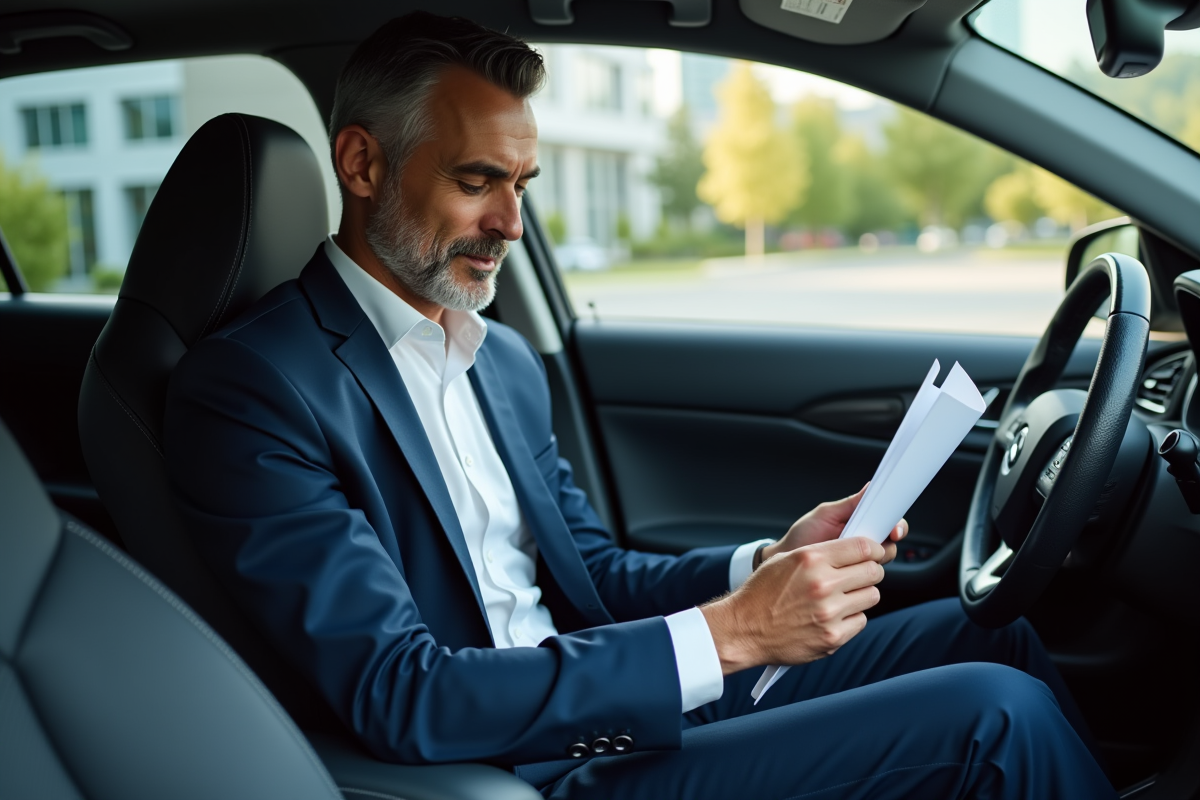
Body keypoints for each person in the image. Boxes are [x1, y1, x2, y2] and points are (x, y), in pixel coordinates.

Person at [164, 12, 1116, 799]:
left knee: (991, 634)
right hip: (528, 764)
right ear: (363, 165)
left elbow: (596, 579)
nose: (510, 225)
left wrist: (763, 565)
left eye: (521, 184)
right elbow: (400, 692)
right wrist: (735, 631)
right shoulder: (257, 390)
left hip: (614, 698)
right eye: (475, 182)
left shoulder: (501, 362)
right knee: (1000, 716)